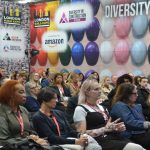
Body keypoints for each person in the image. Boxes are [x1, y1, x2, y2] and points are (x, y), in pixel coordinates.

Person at [73, 79, 144, 150]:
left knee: (139, 147)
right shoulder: (80, 109)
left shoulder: (103, 107)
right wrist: (105, 129)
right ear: (87, 92)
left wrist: (116, 128)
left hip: (113, 137)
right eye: (96, 89)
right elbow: (81, 134)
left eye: (100, 89)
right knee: (136, 148)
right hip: (98, 141)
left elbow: (108, 127)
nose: (100, 91)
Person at [32, 88, 102, 150]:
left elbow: (69, 130)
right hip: (56, 145)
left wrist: (80, 136)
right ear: (44, 100)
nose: (56, 101)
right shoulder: (38, 117)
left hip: (68, 140)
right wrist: (76, 142)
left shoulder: (59, 113)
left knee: (93, 145)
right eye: (54, 98)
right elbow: (51, 138)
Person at [0, 80, 48, 147]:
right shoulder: (2, 111)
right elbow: (3, 141)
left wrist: (35, 137)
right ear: (10, 94)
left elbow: (31, 130)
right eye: (21, 92)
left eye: (25, 92)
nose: (25, 95)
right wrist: (28, 140)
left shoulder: (24, 110)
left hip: (27, 145)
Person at [111, 83, 150, 149]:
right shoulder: (119, 105)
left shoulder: (136, 106)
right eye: (134, 94)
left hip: (141, 133)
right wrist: (147, 124)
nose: (137, 95)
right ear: (126, 95)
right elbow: (129, 122)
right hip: (131, 135)